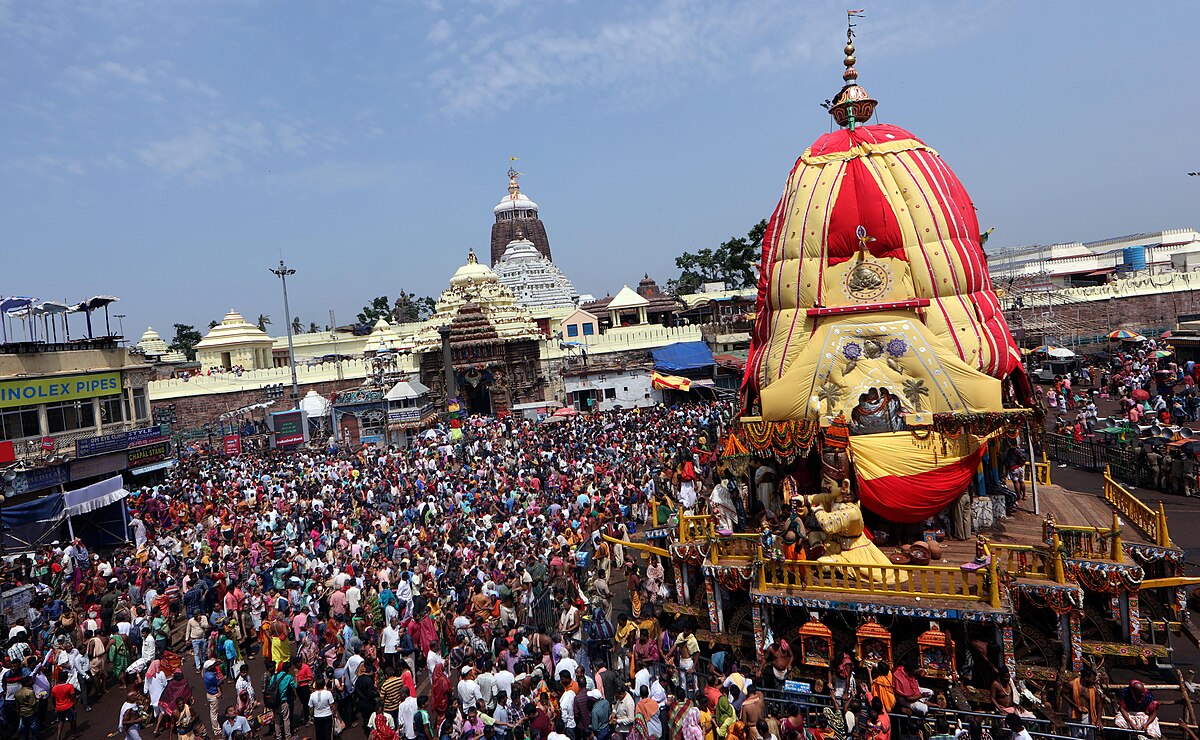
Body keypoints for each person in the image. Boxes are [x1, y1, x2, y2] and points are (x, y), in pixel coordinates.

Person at [1064, 667, 1102, 732]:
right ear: (1086, 678)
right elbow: (1062, 694)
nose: (1094, 681)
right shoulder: (1071, 684)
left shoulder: (1094, 689)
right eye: (1093, 679)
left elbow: (1099, 703)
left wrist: (1099, 719)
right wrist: (1075, 706)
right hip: (1074, 714)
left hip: (1088, 716)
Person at [51, 672, 78, 740]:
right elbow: (73, 696)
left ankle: (58, 736)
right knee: (72, 720)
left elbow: (53, 699)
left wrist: (56, 706)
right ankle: (73, 734)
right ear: (66, 678)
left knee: (61, 721)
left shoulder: (54, 688)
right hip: (69, 706)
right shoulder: (69, 686)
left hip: (59, 707)